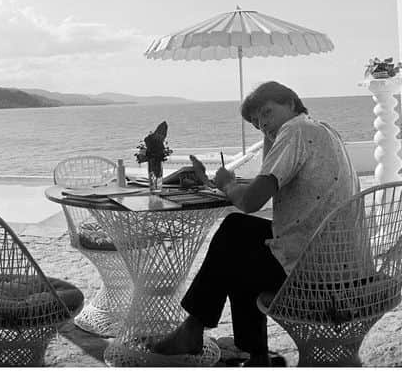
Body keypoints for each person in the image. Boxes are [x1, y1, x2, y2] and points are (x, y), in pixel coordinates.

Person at [149, 81, 360, 366]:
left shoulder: (296, 131)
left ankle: (198, 330)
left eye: (267, 113)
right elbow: (267, 185)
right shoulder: (322, 130)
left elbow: (251, 202)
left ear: (291, 103)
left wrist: (226, 185)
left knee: (235, 232)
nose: (263, 125)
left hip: (316, 270)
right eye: (257, 123)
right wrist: (236, 176)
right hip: (340, 259)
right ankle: (250, 353)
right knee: (243, 242)